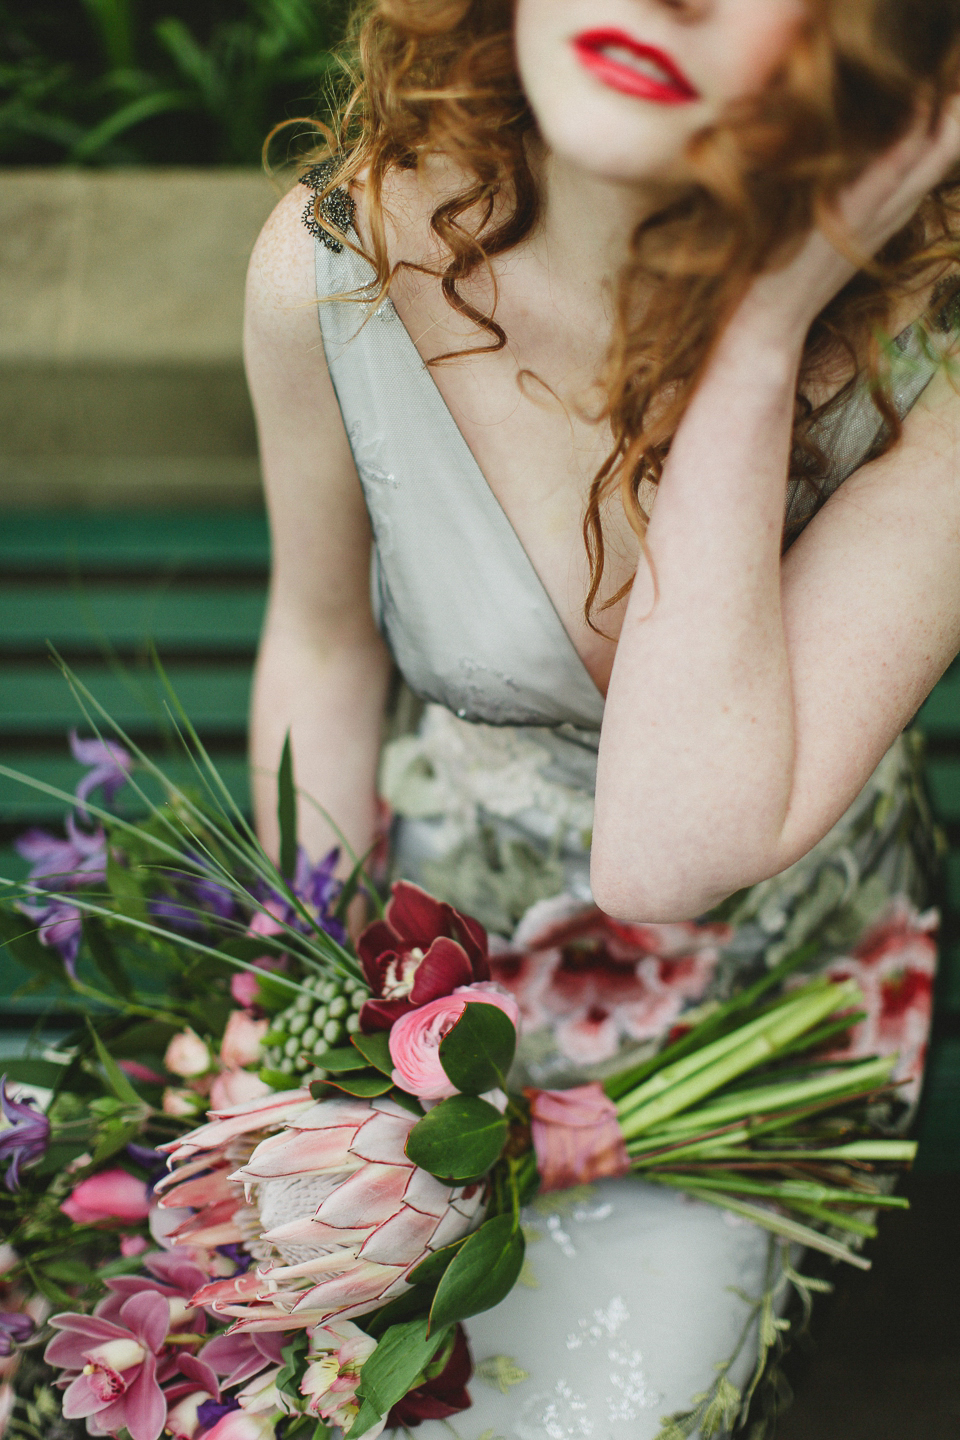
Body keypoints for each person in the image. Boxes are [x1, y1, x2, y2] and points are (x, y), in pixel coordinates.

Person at [246, 2, 960, 1434]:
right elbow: (324, 645)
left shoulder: (930, 368)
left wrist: (760, 334)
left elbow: (669, 856)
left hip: (758, 1006)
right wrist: (286, 1027)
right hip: (438, 959)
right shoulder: (334, 263)